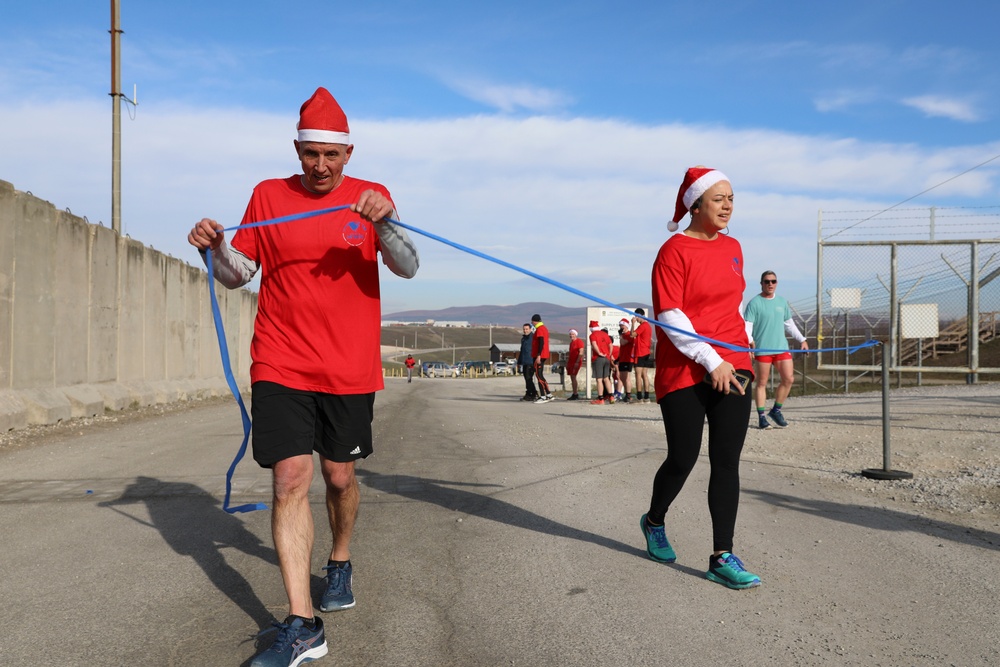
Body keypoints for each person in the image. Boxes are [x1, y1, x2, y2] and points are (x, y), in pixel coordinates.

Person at [187, 87, 420, 666]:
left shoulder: (373, 198)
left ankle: (339, 562)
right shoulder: (269, 196)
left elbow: (409, 265)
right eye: (310, 153)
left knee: (339, 478)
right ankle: (302, 622)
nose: (320, 165)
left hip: (348, 365)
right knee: (290, 480)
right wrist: (216, 247)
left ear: (348, 154)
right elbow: (239, 274)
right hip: (281, 359)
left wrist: (386, 223)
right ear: (296, 148)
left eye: (331, 155)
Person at [639, 166, 760, 590]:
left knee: (726, 461)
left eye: (731, 199)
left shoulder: (734, 248)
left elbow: (733, 306)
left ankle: (721, 555)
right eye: (719, 198)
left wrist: (745, 349)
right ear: (696, 203)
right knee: (683, 457)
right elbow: (671, 316)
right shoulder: (673, 250)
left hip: (733, 360)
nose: (728, 205)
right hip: (685, 365)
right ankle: (654, 521)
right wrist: (711, 361)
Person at [744, 271, 809, 429]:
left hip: (781, 347)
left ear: (777, 283)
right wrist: (749, 342)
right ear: (762, 283)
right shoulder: (754, 303)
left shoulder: (781, 302)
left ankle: (776, 410)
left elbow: (789, 324)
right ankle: (761, 417)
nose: (770, 284)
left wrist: (802, 339)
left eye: (773, 281)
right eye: (767, 281)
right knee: (762, 383)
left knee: (789, 379)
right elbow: (747, 326)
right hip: (763, 349)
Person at [588, 321, 614, 404]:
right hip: (607, 358)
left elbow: (594, 344)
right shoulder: (605, 334)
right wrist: (609, 354)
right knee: (606, 378)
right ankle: (611, 396)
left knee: (599, 379)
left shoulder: (592, 335)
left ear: (591, 328)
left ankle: (600, 398)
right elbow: (610, 345)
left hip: (598, 358)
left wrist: (599, 353)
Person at [632, 308, 653, 403]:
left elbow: (632, 335)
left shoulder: (642, 326)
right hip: (646, 352)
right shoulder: (648, 326)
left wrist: (632, 323)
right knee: (644, 374)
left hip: (640, 352)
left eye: (636, 316)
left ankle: (639, 397)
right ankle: (647, 396)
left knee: (638, 374)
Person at [530, 314, 554, 403]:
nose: (532, 323)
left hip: (540, 355)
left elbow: (541, 342)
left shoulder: (540, 329)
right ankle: (548, 394)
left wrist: (538, 355)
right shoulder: (544, 328)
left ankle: (543, 396)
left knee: (539, 375)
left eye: (532, 321)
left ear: (534, 321)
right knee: (540, 375)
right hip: (542, 354)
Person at [518, 323, 538, 401]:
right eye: (524, 329)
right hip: (524, 361)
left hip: (531, 361)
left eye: (527, 329)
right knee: (526, 378)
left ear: (530, 329)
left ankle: (531, 393)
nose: (525, 331)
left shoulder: (533, 338)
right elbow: (522, 351)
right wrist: (519, 362)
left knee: (529, 378)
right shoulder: (523, 339)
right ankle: (531, 393)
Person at [616, 318, 635, 403]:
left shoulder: (628, 335)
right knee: (622, 377)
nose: (621, 327)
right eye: (620, 326)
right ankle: (626, 394)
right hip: (623, 358)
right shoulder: (623, 335)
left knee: (626, 377)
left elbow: (623, 343)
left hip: (628, 358)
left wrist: (620, 336)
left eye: (622, 326)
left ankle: (628, 395)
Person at [566, 329, 585, 400]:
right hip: (571, 361)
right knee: (572, 377)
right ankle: (574, 392)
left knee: (574, 377)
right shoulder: (571, 343)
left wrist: (577, 362)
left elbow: (581, 352)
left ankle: (575, 393)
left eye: (573, 334)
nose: (571, 336)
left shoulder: (579, 341)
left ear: (576, 334)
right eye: (570, 334)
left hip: (576, 361)